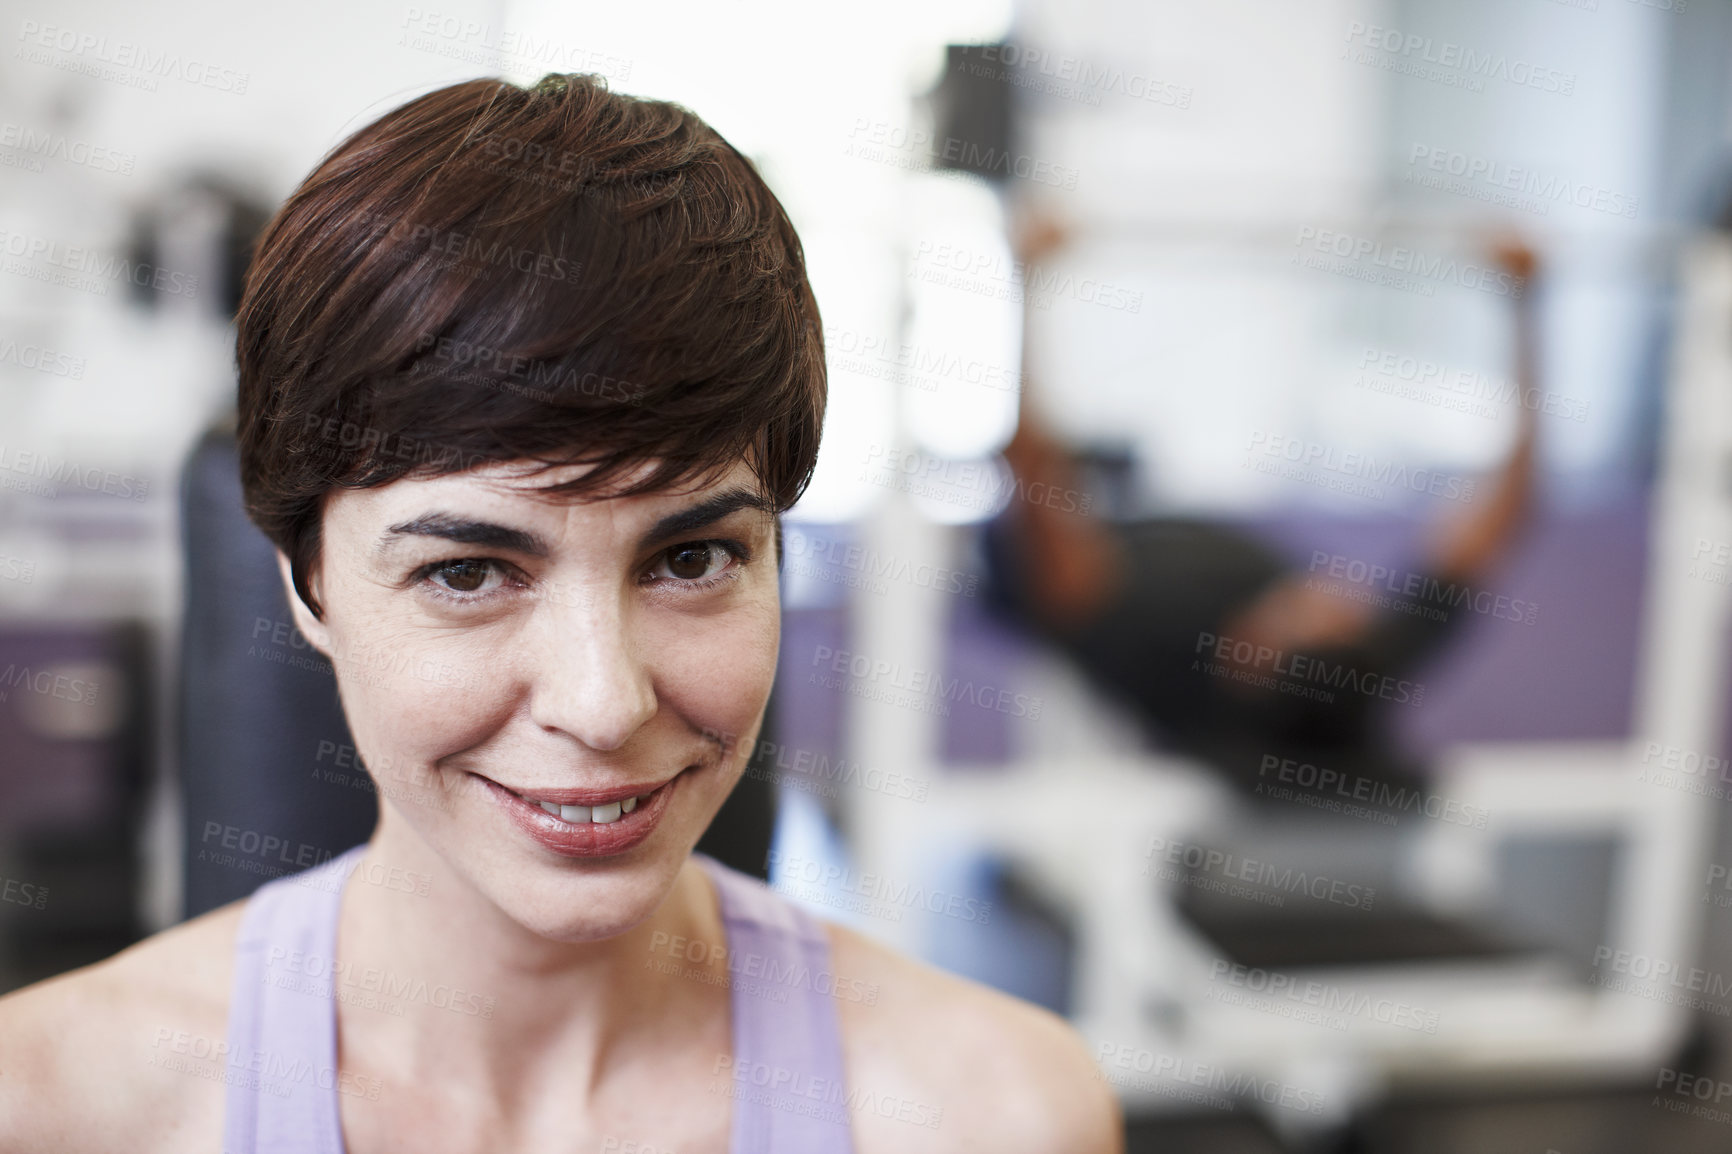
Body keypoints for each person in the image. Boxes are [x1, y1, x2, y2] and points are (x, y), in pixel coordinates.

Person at [0, 73, 1121, 1154]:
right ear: (307, 581)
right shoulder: (53, 1111)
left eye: (691, 557)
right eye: (468, 572)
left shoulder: (998, 1115)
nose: (601, 703)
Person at [983, 217, 1540, 799]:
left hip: (1044, 562)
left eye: (1318, 613)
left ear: (1254, 659)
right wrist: (1524, 302)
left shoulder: (1131, 632)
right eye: (1346, 612)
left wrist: (1026, 282)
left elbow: (1031, 467)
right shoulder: (1366, 664)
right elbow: (1510, 507)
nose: (1339, 593)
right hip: (1167, 546)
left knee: (1051, 519)